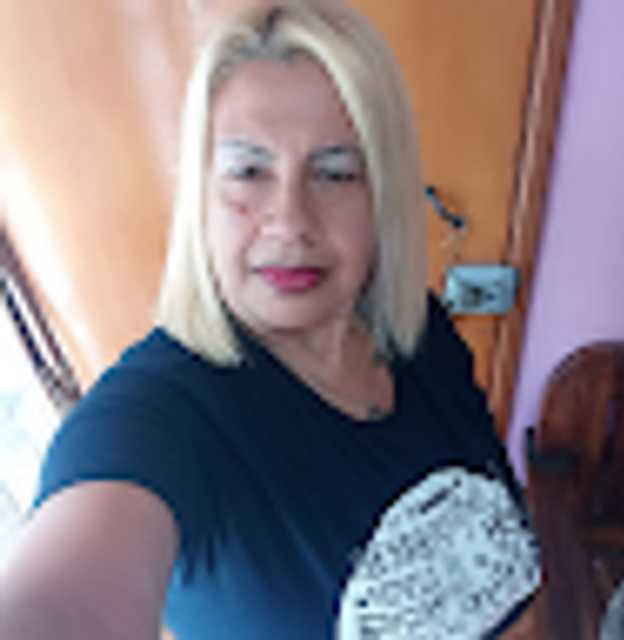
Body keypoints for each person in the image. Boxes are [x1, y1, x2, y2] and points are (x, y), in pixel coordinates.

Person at [0, 2, 541, 638]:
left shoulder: (420, 331)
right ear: (202, 195)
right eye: (248, 171)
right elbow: (68, 601)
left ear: (384, 194)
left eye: (335, 173)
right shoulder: (160, 416)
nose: (289, 222)